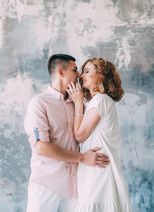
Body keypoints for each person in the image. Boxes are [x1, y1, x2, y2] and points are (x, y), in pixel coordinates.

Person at [24, 54, 110, 212]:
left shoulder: (79, 104)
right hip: (46, 184)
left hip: (77, 186)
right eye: (75, 70)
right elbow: (41, 147)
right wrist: (83, 158)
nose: (79, 75)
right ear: (60, 72)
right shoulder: (39, 103)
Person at [67, 57, 132, 212]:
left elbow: (80, 135)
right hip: (95, 170)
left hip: (99, 173)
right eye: (82, 71)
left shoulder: (101, 100)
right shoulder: (96, 102)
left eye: (87, 71)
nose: (82, 76)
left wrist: (77, 103)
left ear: (101, 75)